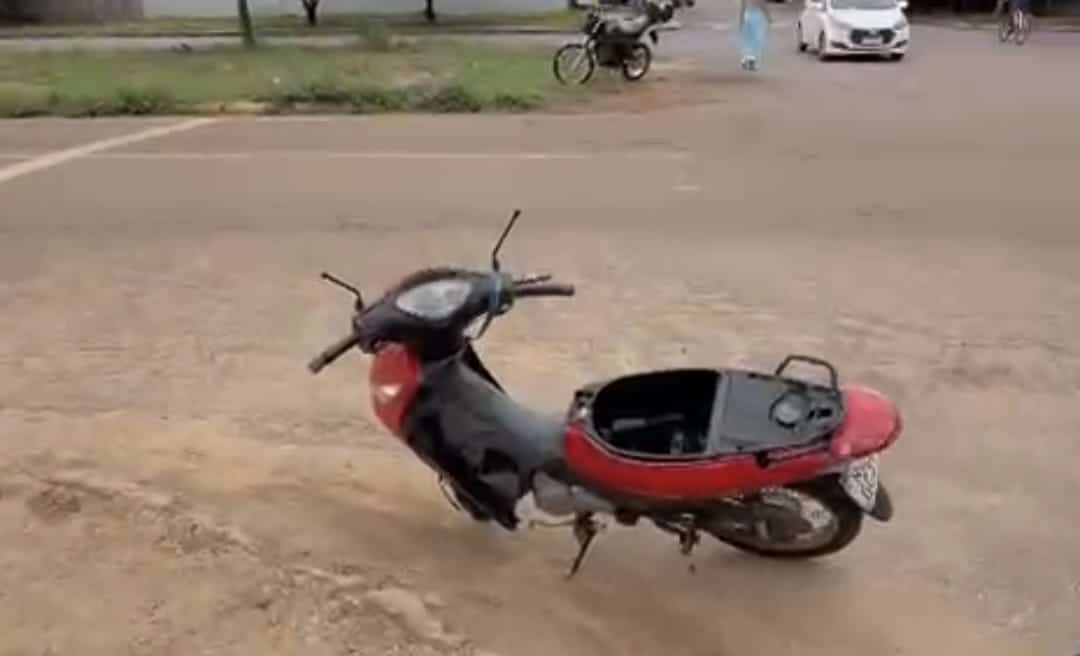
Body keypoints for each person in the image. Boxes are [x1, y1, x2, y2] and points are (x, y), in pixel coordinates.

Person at [738, 0, 772, 71]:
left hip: (747, 16)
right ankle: (751, 61)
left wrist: (741, 21)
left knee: (748, 39)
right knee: (757, 39)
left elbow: (743, 8)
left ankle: (745, 58)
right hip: (757, 17)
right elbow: (763, 6)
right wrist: (768, 17)